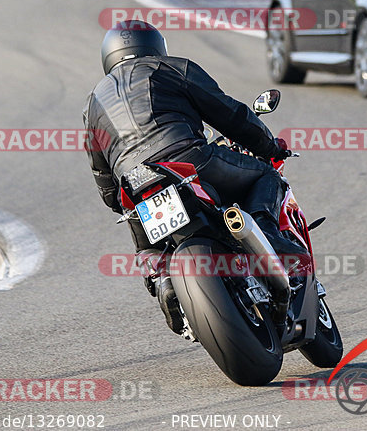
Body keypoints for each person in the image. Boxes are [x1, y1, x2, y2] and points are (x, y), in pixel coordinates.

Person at [83, 20, 308, 333]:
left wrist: (119, 199)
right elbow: (228, 114)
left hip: (134, 184)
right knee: (265, 176)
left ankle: (164, 283)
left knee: (146, 240)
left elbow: (101, 172)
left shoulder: (93, 104)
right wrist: (268, 145)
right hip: (188, 160)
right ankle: (272, 239)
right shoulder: (172, 68)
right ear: (155, 47)